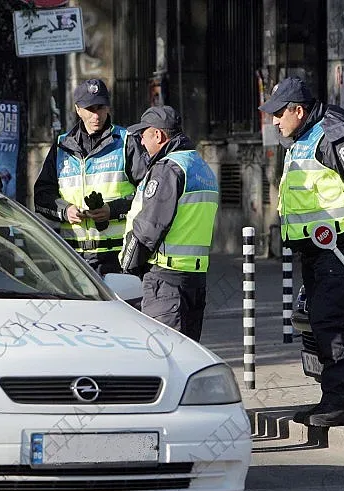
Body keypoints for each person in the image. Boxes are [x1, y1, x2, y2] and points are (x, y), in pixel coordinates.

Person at [259, 76, 344, 427]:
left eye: (279, 114)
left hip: (339, 246)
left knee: (330, 320)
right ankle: (329, 398)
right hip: (317, 248)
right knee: (319, 320)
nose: (275, 121)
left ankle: (338, 403)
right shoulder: (301, 138)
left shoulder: (332, 134)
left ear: (299, 110)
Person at [119, 105, 219, 342]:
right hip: (194, 279)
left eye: (144, 134)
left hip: (164, 282)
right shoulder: (200, 166)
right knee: (187, 355)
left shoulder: (168, 169)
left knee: (163, 355)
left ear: (158, 135)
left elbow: (148, 228)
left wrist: (127, 266)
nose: (142, 142)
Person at [34, 78, 147, 275]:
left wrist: (111, 210)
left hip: (119, 256)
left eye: (101, 107)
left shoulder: (126, 141)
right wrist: (65, 210)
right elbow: (41, 196)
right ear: (78, 109)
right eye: (90, 108)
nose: (97, 115)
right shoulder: (62, 146)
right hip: (73, 258)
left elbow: (148, 194)